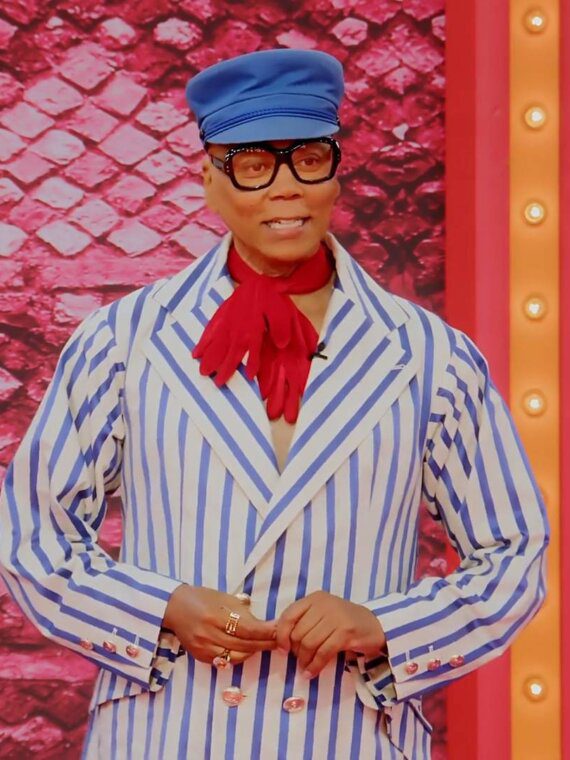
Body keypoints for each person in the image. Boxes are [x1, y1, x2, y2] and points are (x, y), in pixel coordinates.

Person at [0, 49, 548, 760]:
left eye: (309, 159)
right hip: (167, 733)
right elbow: (31, 536)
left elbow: (514, 553)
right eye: (254, 165)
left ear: (337, 171)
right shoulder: (122, 340)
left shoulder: (431, 355)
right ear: (209, 180)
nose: (287, 187)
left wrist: (384, 625)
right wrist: (162, 609)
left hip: (346, 736)